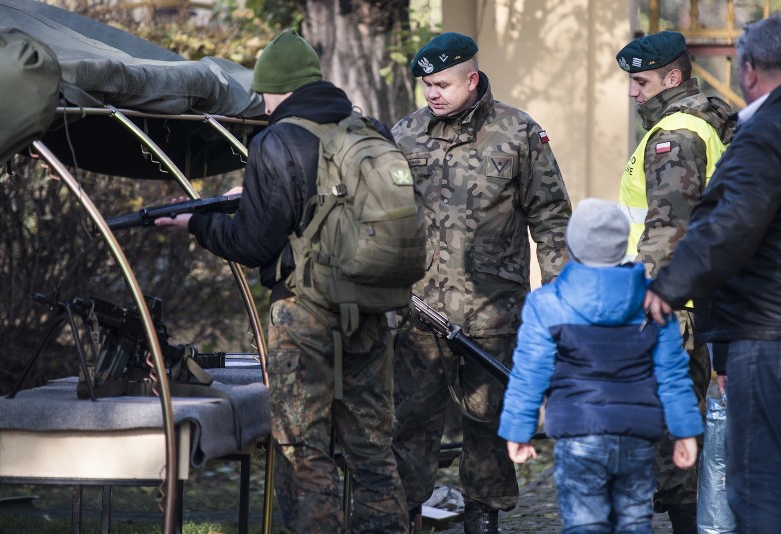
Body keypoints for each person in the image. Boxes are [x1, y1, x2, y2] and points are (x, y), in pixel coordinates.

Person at [154, 30, 408, 533]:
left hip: (305, 314)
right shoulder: (371, 129)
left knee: (302, 448)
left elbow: (253, 244)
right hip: (372, 304)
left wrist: (198, 224)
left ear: (274, 90)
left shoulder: (277, 139)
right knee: (373, 448)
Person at [644, 13, 781, 533]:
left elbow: (728, 226)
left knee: (759, 484)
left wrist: (667, 287)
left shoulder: (765, 133)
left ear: (749, 69)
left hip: (772, 333)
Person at [391, 31, 572, 533]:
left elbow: (552, 216)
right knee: (408, 424)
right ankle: (403, 517)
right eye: (426, 84)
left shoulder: (517, 133)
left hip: (492, 311)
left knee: (488, 426)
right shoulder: (403, 135)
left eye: (443, 84)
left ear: (472, 80)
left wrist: (557, 294)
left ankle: (483, 519)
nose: (432, 93)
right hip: (417, 312)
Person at [498, 197, 703, 533]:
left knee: (585, 523)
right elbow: (673, 375)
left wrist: (518, 433)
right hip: (637, 433)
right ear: (622, 244)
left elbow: (529, 374)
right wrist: (685, 433)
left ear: (573, 246)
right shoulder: (653, 300)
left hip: (578, 431)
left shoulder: (547, 302)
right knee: (634, 522)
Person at [615, 30, 735, 533]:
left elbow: (668, 229)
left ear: (673, 76)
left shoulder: (676, 135)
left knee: (671, 435)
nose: (632, 91)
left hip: (672, 306)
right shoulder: (699, 122)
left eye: (640, 80)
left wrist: (645, 302)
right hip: (691, 302)